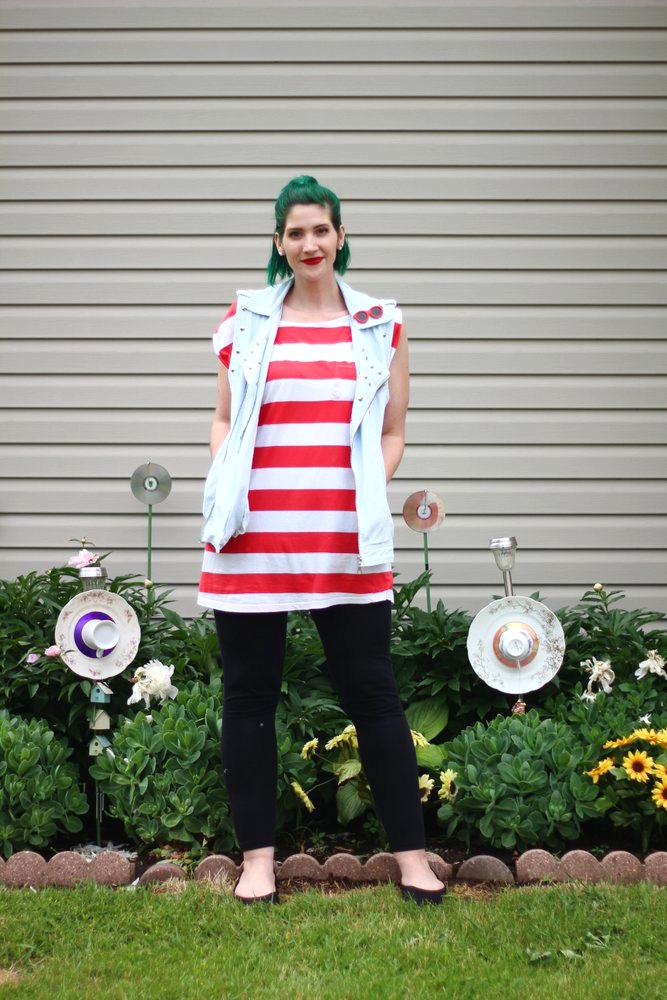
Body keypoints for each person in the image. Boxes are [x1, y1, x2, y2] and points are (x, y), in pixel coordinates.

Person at [198, 175, 445, 904]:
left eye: (321, 230)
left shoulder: (379, 323)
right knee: (249, 698)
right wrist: (225, 482)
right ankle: (257, 864)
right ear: (278, 243)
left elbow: (393, 431)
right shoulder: (244, 320)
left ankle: (412, 858)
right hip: (251, 537)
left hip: (345, 538)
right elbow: (224, 419)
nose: (310, 244)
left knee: (373, 694)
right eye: (295, 232)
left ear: (341, 237)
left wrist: (362, 488)